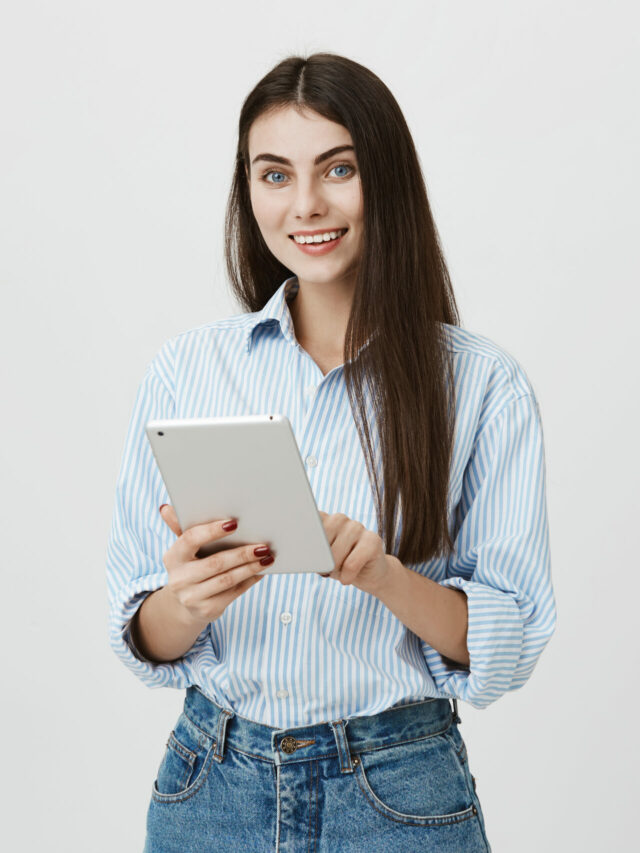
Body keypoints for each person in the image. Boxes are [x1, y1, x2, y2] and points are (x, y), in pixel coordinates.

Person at [106, 52, 556, 853]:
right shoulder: (188, 370)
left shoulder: (481, 385)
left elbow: (509, 639)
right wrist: (188, 600)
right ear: (248, 191)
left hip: (398, 792)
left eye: (337, 168)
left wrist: (384, 576)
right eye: (274, 175)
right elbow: (140, 627)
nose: (306, 203)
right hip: (210, 786)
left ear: (385, 177)